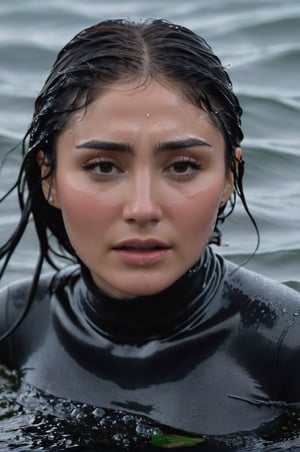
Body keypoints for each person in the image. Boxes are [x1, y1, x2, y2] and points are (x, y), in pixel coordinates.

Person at [1, 18, 300, 450]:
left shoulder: (285, 344)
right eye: (103, 166)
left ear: (228, 178)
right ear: (49, 178)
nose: (143, 208)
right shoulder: (18, 322)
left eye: (182, 166)